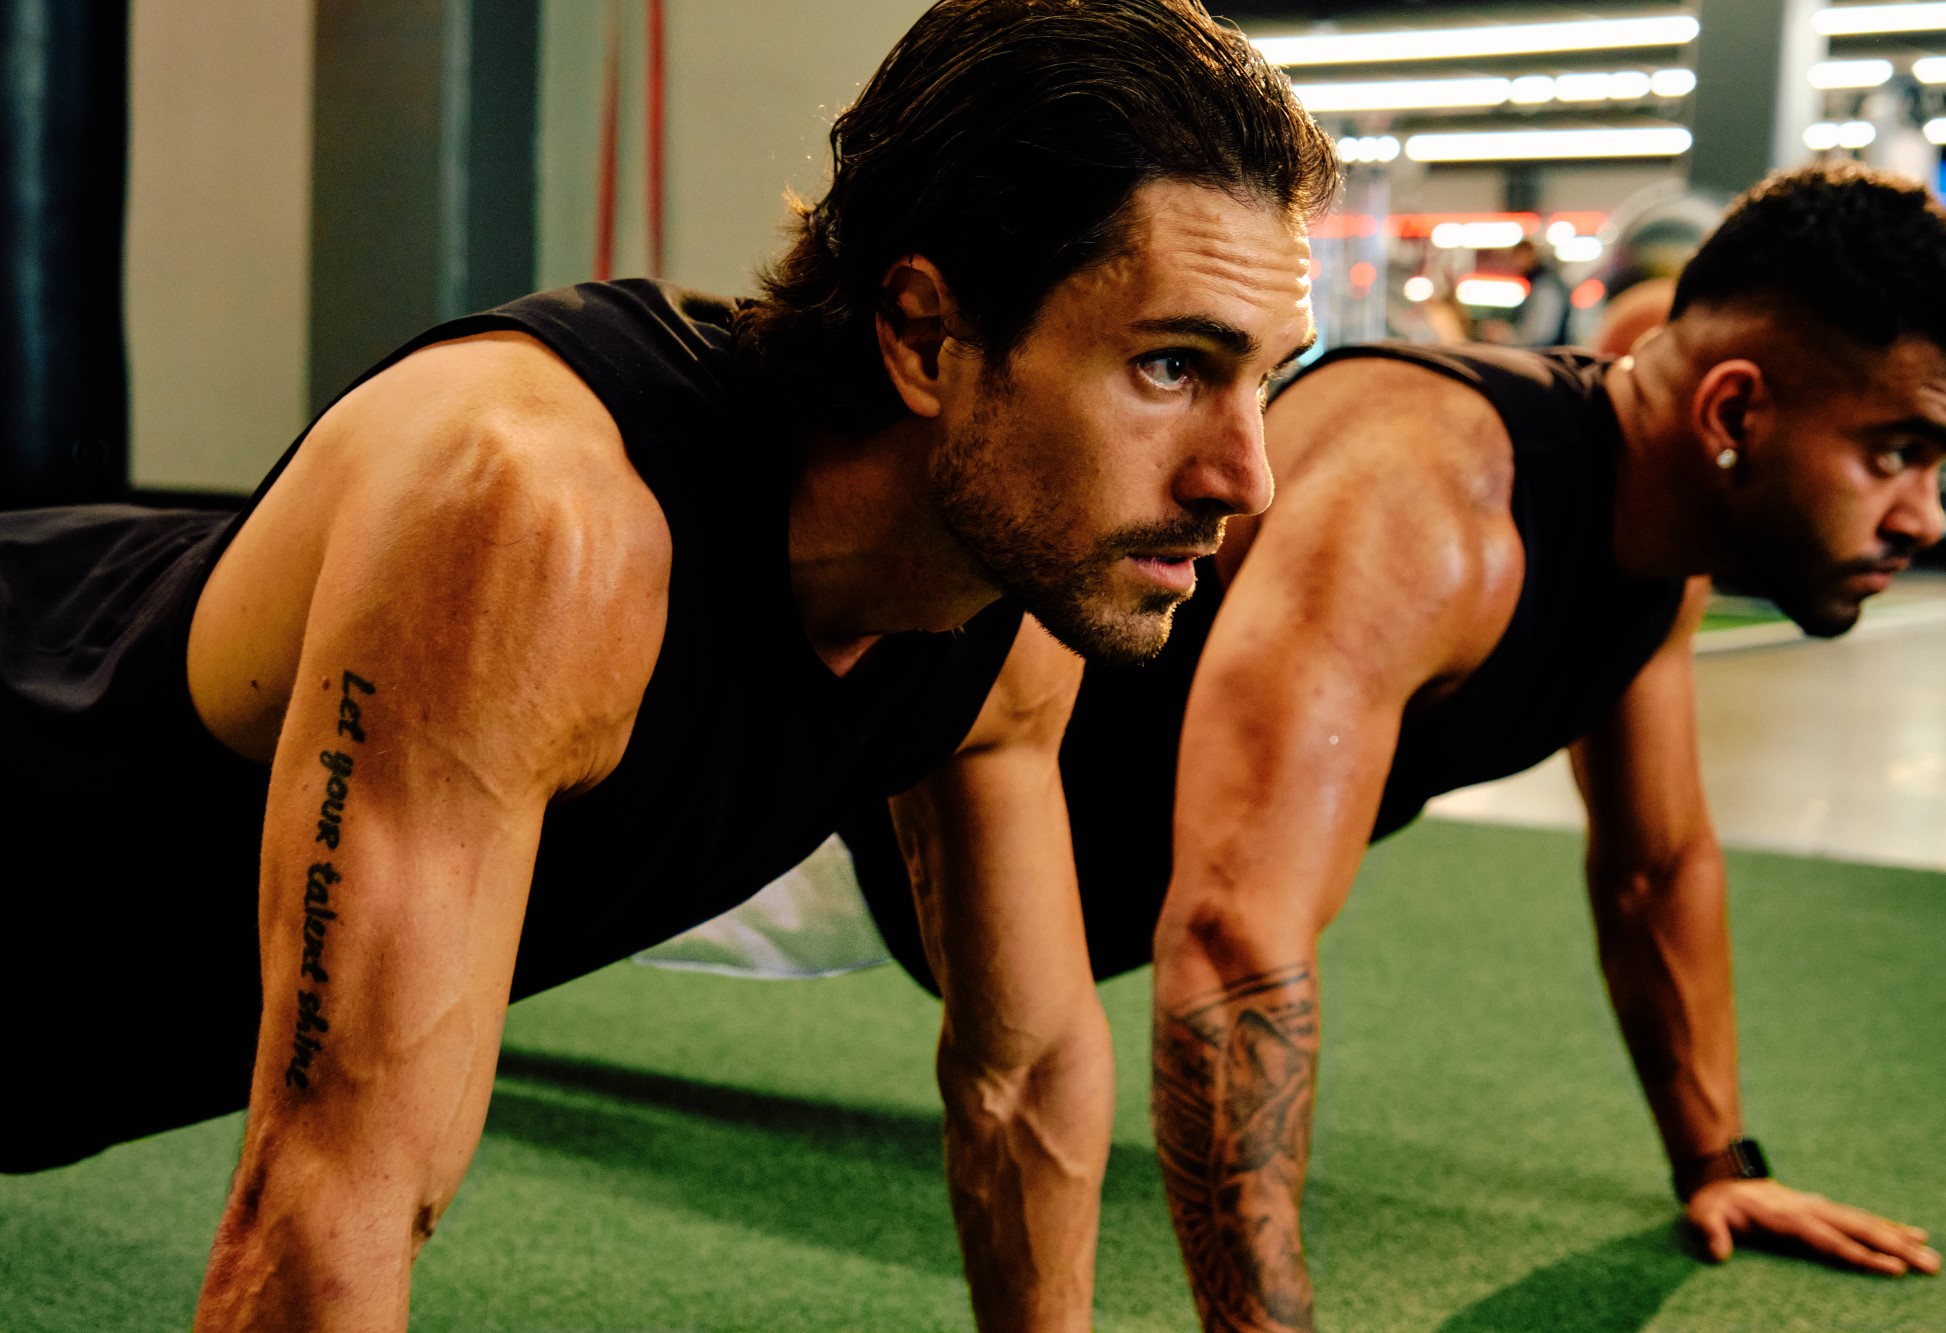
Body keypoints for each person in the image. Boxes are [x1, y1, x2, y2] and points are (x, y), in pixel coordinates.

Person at [0, 2, 1335, 1328]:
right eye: (1171, 365)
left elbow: (1024, 1073)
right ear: (926, 334)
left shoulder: (1011, 603)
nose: (1245, 478)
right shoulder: (534, 514)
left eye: (1265, 381)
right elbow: (328, 1209)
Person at [854, 161, 1946, 1328]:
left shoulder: (1659, 545)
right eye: (1894, 452)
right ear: (1734, 413)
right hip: (861, 805)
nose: (1920, 515)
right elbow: (1232, 939)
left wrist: (1718, 1163)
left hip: (1049, 880)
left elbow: (1654, 867)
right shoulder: (1431, 508)